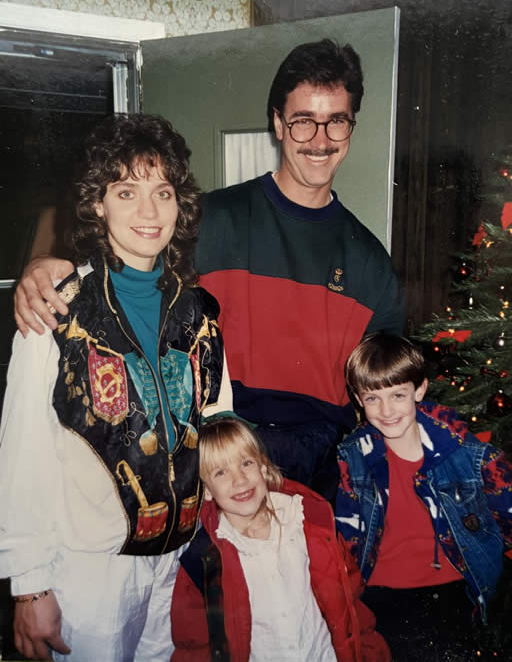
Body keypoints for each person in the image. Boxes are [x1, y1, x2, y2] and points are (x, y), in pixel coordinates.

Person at [13, 39, 405, 503]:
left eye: (335, 121)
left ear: (350, 129)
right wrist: (42, 264)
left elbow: (391, 395)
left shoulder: (371, 262)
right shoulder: (207, 219)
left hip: (319, 474)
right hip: (216, 456)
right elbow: (120, 263)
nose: (320, 140)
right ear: (278, 124)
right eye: (302, 121)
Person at [0, 115, 232, 661]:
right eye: (126, 192)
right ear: (97, 204)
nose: (149, 212)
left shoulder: (199, 312)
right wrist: (29, 584)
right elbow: (22, 451)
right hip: (88, 568)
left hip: (175, 557)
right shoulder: (58, 308)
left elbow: (218, 422)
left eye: (163, 192)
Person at [335, 333, 512, 660]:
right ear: (358, 399)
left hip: (457, 590)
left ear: (420, 390)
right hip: (381, 595)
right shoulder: (353, 457)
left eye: (398, 395)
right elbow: (346, 538)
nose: (386, 410)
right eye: (372, 398)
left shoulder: (469, 455)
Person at [170, 416, 391, 661]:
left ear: (263, 468)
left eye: (246, 463)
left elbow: (349, 599)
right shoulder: (203, 559)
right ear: (207, 490)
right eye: (221, 472)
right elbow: (193, 644)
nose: (239, 479)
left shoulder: (308, 524)